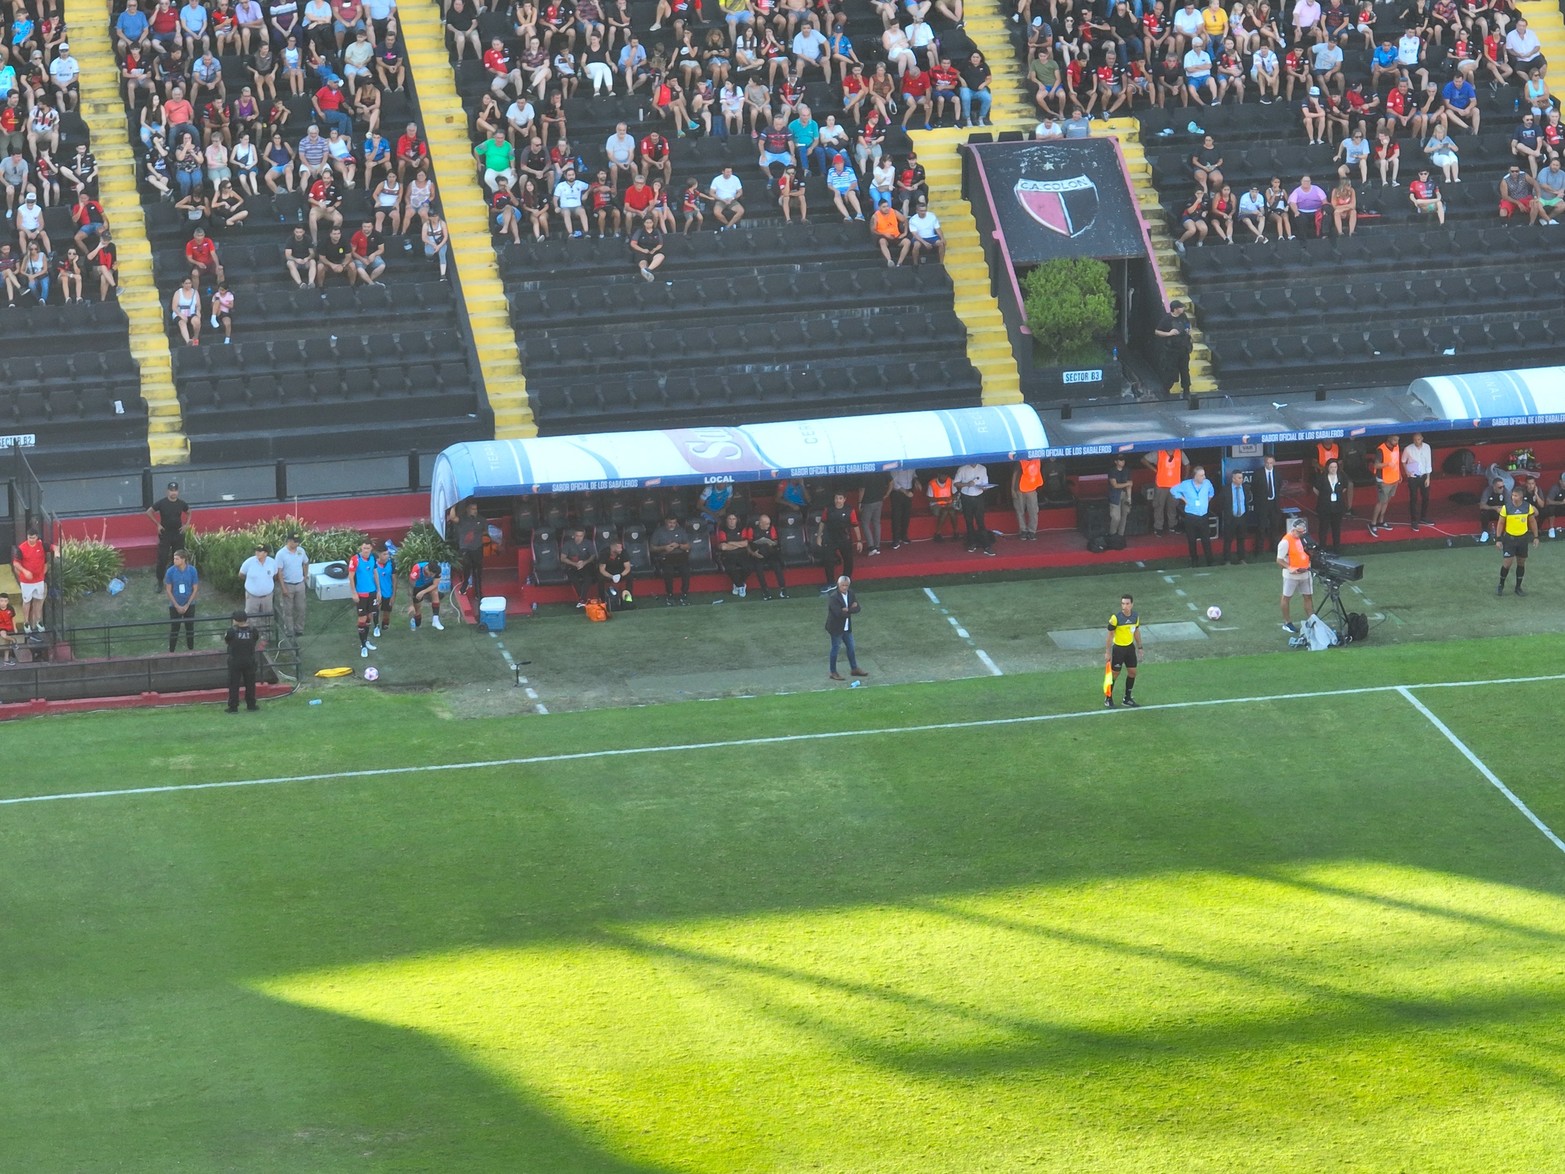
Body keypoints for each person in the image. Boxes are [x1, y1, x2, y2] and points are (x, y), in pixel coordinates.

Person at [1495, 486, 1538, 595]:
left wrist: (1536, 537)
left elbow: (1532, 522)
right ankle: (1501, 585)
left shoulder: (1527, 507)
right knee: (1507, 563)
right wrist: (1498, 539)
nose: (1513, 497)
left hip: (1523, 539)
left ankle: (1518, 587)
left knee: (1521, 563)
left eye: (1515, 495)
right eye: (1512, 495)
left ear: (1521, 496)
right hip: (1510, 539)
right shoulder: (1506, 508)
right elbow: (1500, 523)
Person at [825, 574, 868, 680]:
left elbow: (858, 608)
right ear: (838, 585)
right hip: (836, 628)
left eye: (846, 585)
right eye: (843, 585)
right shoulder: (834, 597)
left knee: (851, 647)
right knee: (835, 648)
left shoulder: (851, 594)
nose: (845, 588)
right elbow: (838, 613)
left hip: (846, 627)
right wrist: (850, 609)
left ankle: (854, 669)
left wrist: (847, 609)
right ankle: (833, 672)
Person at [147, 480, 190, 586]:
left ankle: (176, 579)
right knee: (162, 558)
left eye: (175, 491)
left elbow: (189, 512)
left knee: (178, 558)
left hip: (178, 534)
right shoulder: (162, 503)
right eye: (171, 491)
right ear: (167, 492)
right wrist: (157, 524)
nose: (173, 493)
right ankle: (160, 581)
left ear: (178, 492)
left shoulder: (181, 503)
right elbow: (148, 512)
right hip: (165, 534)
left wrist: (186, 524)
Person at [1277, 515, 1315, 633]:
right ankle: (1287, 622)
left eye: (1303, 532)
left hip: (1305, 573)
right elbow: (1279, 560)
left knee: (1308, 596)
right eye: (1299, 532)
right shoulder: (1285, 542)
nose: (1301, 534)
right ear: (1293, 530)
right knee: (1286, 597)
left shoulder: (1304, 539)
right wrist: (1290, 567)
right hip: (1291, 575)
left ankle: (1311, 620)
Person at [1171, 465, 1216, 566]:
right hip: (1191, 516)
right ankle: (1194, 560)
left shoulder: (1207, 483)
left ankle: (1210, 560)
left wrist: (1206, 502)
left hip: (1203, 516)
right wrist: (1183, 499)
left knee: (1206, 539)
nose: (1203, 477)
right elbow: (1173, 490)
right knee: (1191, 540)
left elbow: (1211, 493)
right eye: (1201, 475)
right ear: (1195, 476)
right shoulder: (1186, 484)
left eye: (1204, 475)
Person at [817, 490, 862, 587]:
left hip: (844, 539)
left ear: (844, 499)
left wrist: (859, 541)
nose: (838, 500)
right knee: (828, 561)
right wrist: (819, 536)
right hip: (830, 539)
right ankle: (831, 583)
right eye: (836, 498)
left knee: (848, 561)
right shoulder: (828, 509)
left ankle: (845, 582)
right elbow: (822, 522)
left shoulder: (850, 510)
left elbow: (855, 525)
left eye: (840, 498)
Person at [1104, 593, 1142, 708]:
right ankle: (1108, 698)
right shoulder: (1115, 618)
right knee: (1114, 674)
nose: (1125, 606)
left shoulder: (1135, 617)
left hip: (1130, 648)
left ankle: (1127, 698)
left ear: (1132, 604)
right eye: (1123, 603)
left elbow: (1136, 631)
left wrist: (1140, 647)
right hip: (1118, 649)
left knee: (1132, 672)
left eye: (1127, 603)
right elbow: (1110, 635)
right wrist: (1107, 652)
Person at [10, 525, 48, 634]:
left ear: (37, 537)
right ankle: (26, 623)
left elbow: (50, 552)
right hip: (26, 582)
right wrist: (25, 572)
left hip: (39, 580)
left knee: (38, 601)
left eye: (33, 537)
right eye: (29, 537)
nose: (31, 539)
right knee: (27, 601)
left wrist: (57, 551)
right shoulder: (21, 548)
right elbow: (16, 563)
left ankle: (38, 621)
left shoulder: (41, 546)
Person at [954, 459, 995, 554]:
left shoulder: (982, 468)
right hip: (966, 497)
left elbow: (985, 483)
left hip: (978, 497)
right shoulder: (962, 468)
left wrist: (984, 488)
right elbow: (956, 483)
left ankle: (986, 546)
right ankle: (971, 543)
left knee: (980, 521)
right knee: (969, 521)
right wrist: (967, 484)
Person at [1145, 448, 1188, 537]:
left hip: (1175, 485)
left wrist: (1185, 479)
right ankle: (1158, 527)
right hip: (1161, 485)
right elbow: (1144, 460)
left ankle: (1172, 525)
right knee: (1159, 506)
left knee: (1173, 506)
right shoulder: (1159, 452)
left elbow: (1187, 464)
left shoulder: (1179, 452)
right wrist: (1155, 470)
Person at [164, 548, 200, 652]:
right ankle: (171, 651)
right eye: (174, 559)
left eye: (177, 559)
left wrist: (187, 605)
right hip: (175, 605)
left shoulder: (192, 570)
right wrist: (177, 606)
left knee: (190, 628)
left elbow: (195, 588)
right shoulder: (170, 571)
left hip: (189, 604)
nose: (174, 561)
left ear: (183, 559)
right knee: (175, 629)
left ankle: (191, 649)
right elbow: (168, 590)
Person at [348, 539, 380, 656]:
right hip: (361, 594)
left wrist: (379, 591)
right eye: (364, 548)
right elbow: (351, 577)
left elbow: (375, 573)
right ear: (361, 548)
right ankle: (363, 646)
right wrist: (354, 593)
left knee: (369, 617)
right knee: (362, 618)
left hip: (372, 592)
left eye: (368, 548)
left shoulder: (372, 558)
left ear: (371, 548)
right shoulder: (355, 559)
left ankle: (366, 641)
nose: (366, 550)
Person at [650, 514, 692, 604]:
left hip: (680, 555)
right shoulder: (659, 531)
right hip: (665, 556)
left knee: (686, 571)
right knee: (668, 572)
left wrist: (679, 545)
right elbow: (652, 548)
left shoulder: (681, 530)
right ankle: (670, 594)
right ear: (666, 521)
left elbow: (688, 545)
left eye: (674, 522)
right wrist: (664, 548)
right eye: (670, 522)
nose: (672, 524)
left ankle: (684, 593)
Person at [224, 609, 261, 712]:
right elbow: (255, 639)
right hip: (249, 660)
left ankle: (233, 706)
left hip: (235, 660)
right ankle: (251, 705)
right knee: (250, 683)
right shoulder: (253, 631)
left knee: (233, 684)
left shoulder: (231, 631)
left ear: (235, 620)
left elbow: (227, 640)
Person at [1154, 300, 1193, 395]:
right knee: (1170, 370)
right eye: (1180, 307)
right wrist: (1169, 333)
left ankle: (1186, 389)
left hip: (1184, 348)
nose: (1182, 309)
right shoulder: (1166, 319)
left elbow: (1188, 324)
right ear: (1175, 309)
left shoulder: (1183, 316)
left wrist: (1189, 330)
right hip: (1172, 350)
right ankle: (1166, 389)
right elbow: (1157, 331)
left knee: (1185, 370)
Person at [451, 500, 486, 600]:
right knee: (467, 565)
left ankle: (478, 593)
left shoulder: (481, 519)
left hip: (477, 547)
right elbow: (453, 518)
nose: (475, 511)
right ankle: (465, 583)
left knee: (477, 571)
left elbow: (486, 531)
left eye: (476, 509)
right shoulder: (462, 519)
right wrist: (453, 506)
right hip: (465, 548)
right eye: (473, 509)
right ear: (467, 510)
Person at [747, 514, 788, 599]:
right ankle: (765, 590)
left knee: (777, 565)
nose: (768, 526)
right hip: (758, 554)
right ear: (760, 523)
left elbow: (776, 541)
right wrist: (753, 553)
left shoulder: (771, 528)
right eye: (766, 524)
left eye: (769, 523)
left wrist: (772, 543)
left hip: (770, 553)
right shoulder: (752, 529)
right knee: (759, 569)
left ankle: (783, 588)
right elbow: (748, 543)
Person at [1367, 433, 1400, 536]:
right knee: (1381, 501)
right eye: (1394, 440)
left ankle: (1381, 521)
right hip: (1383, 479)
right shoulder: (1380, 449)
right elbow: (1376, 465)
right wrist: (1387, 464)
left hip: (1394, 478)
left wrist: (1399, 474)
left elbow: (1396, 461)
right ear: (1389, 439)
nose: (1396, 442)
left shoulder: (1396, 447)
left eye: (1397, 440)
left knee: (1386, 501)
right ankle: (1373, 523)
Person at [1252, 454, 1283, 557]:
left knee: (1275, 526)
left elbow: (1279, 486)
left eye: (1271, 463)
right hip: (1262, 504)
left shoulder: (1278, 473)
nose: (1269, 465)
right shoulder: (1258, 473)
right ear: (1264, 463)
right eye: (1267, 463)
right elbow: (1254, 488)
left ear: (1274, 462)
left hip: (1274, 503)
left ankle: (1274, 548)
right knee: (1261, 527)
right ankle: (1259, 550)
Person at [560, 526, 599, 607]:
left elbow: (592, 556)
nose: (578, 538)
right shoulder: (568, 544)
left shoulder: (588, 543)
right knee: (574, 579)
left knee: (588, 578)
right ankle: (582, 599)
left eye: (580, 536)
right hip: (572, 566)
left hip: (585, 565)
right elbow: (562, 558)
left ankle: (582, 599)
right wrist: (575, 564)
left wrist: (584, 562)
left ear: (583, 536)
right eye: (577, 535)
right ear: (574, 535)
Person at [1316, 457, 1349, 552]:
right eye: (1331, 467)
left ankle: (1336, 547)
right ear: (1327, 468)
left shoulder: (1342, 476)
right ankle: (1322, 547)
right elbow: (1316, 489)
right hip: (1324, 507)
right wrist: (1325, 496)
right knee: (1323, 528)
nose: (1333, 469)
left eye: (1335, 467)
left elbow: (1344, 487)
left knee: (1336, 527)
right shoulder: (1322, 477)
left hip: (1338, 506)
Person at [1217, 468, 1250, 563]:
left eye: (1242, 478)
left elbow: (1246, 502)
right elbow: (1220, 502)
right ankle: (1227, 559)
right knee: (1228, 540)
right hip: (1230, 518)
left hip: (1242, 517)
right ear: (1233, 479)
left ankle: (1241, 558)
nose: (1241, 480)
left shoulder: (1246, 488)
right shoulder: (1226, 489)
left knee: (1241, 539)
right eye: (1239, 478)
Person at [716, 511, 753, 596]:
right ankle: (741, 585)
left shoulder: (741, 528)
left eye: (734, 519)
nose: (732, 521)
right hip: (728, 554)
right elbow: (723, 547)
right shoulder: (722, 530)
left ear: (737, 520)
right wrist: (739, 544)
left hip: (742, 553)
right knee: (730, 568)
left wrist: (730, 542)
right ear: (726, 520)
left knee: (748, 567)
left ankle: (737, 584)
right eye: (730, 519)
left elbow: (746, 543)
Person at [238, 542, 278, 621]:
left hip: (267, 597)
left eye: (260, 551)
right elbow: (241, 575)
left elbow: (275, 575)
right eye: (256, 551)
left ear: (266, 553)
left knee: (267, 618)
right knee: (251, 618)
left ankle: (266, 633)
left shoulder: (272, 563)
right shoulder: (248, 562)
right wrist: (252, 582)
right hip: (252, 597)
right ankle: (252, 633)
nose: (257, 553)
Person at [1403, 431, 1432, 530]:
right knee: (1414, 498)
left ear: (1422, 438)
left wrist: (1428, 477)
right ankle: (1414, 520)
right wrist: (1407, 472)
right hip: (1413, 477)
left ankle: (1423, 517)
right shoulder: (1408, 449)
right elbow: (1403, 461)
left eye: (1418, 439)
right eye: (1415, 440)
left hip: (1424, 475)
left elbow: (1428, 462)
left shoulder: (1427, 447)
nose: (1417, 441)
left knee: (1426, 497)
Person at [407, 558, 446, 629]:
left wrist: (423, 592)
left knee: (435, 592)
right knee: (417, 608)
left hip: (429, 584)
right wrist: (411, 604)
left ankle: (435, 620)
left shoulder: (437, 570)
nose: (431, 576)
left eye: (433, 575)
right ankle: (417, 624)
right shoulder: (417, 569)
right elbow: (411, 587)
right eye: (430, 574)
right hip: (417, 586)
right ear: (427, 569)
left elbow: (435, 584)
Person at [596, 541, 635, 611]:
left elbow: (627, 568)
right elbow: (602, 570)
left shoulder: (623, 552)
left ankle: (627, 598)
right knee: (600, 578)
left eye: (621, 547)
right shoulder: (604, 553)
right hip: (608, 572)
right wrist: (612, 576)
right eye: (618, 547)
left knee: (630, 576)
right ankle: (603, 600)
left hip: (620, 571)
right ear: (612, 547)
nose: (620, 549)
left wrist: (620, 575)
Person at [888, 469, 920, 548]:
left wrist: (916, 481)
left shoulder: (911, 464)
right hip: (897, 492)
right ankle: (896, 540)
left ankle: (904, 536)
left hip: (909, 490)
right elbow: (893, 482)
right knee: (896, 516)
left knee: (906, 515)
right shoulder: (896, 465)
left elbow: (914, 475)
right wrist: (905, 492)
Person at [1012, 458, 1042, 541]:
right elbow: (1015, 474)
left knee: (1033, 511)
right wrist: (1012, 489)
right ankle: (1023, 530)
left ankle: (1032, 531)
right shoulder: (1020, 461)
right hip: (1019, 489)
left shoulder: (1036, 460)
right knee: (1020, 510)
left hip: (1031, 489)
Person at [1107, 456, 1134, 539]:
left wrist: (1129, 498)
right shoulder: (1112, 471)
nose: (1122, 462)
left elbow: (1130, 485)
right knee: (1116, 517)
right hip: (1115, 495)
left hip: (1125, 495)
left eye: (1123, 460)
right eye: (1120, 460)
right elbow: (1115, 485)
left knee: (1124, 515)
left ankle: (1120, 535)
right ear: (1116, 461)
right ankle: (1112, 534)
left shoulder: (1127, 470)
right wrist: (1127, 484)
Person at [0, 593, 17, 666]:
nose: (3, 603)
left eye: (5, 601)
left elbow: (13, 618)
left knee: (6, 642)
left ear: (8, 601)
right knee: (3, 635)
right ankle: (13, 640)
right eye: (1, 601)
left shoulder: (10, 608)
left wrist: (15, 627)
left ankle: (6, 660)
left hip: (8, 627)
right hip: (1, 626)